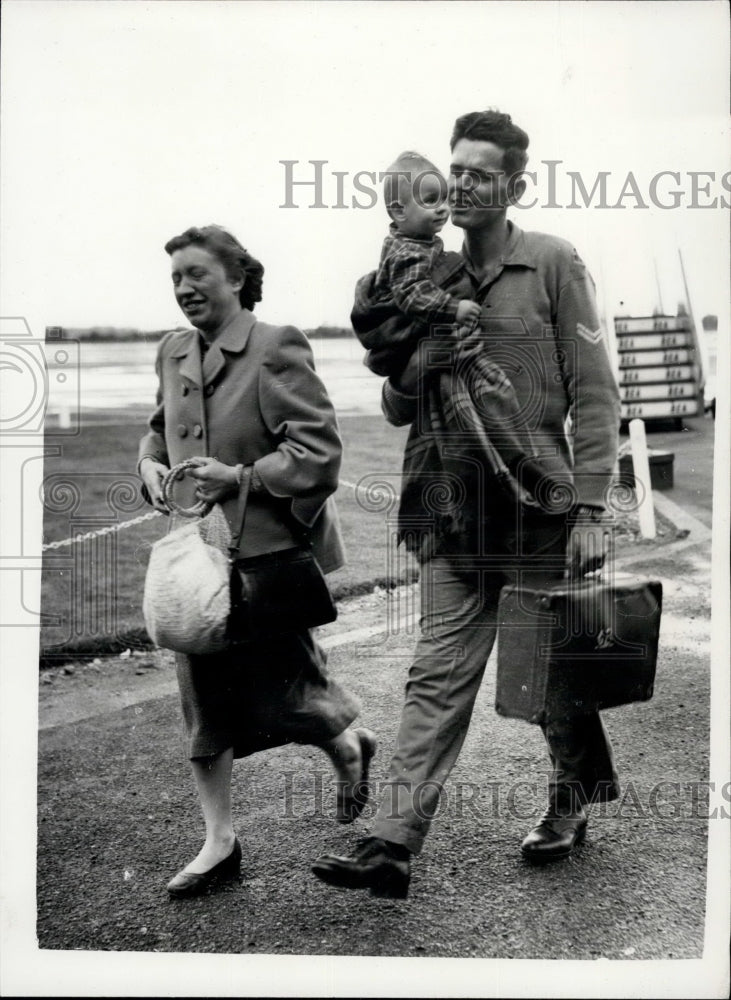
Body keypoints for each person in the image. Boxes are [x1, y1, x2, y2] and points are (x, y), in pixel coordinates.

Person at [312, 110, 621, 899]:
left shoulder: (552, 263)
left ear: (514, 185)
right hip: (447, 506)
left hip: (534, 507)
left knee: (543, 676)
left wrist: (590, 511)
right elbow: (394, 403)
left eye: (480, 173)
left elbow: (593, 392)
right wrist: (422, 359)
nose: (461, 185)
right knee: (436, 675)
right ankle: (390, 845)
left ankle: (573, 793)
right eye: (454, 170)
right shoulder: (423, 271)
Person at [138, 224, 376, 898]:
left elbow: (318, 455)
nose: (184, 288)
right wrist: (149, 465)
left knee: (294, 694)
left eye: (197, 274)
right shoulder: (172, 351)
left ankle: (348, 745)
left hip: (268, 557)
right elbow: (157, 430)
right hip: (197, 563)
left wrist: (239, 477)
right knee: (203, 704)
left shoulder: (275, 346)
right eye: (175, 278)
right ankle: (219, 843)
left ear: (237, 278)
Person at [365, 150, 481, 377]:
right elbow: (412, 293)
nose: (443, 207)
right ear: (399, 211)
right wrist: (454, 308)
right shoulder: (407, 251)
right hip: (403, 340)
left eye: (444, 198)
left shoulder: (416, 242)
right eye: (430, 200)